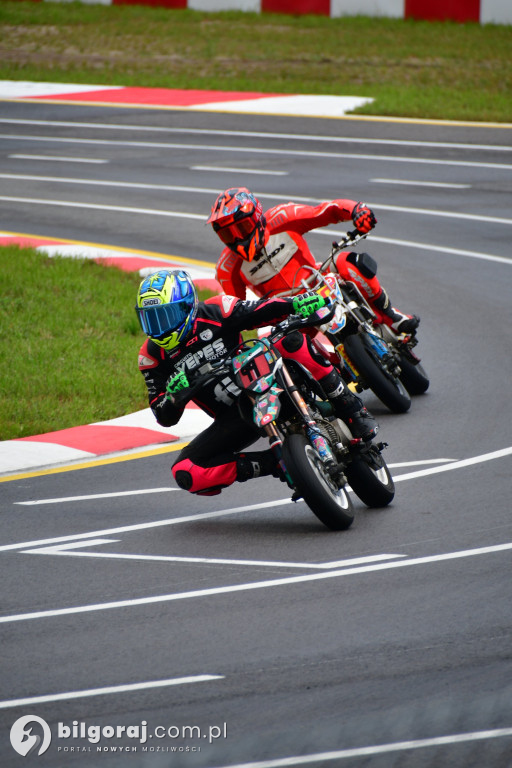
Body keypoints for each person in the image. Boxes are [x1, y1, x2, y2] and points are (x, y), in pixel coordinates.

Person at [136, 269, 375, 498]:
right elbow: (163, 415)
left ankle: (350, 406)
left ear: (188, 305)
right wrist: (173, 397)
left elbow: (259, 310)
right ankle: (277, 464)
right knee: (187, 471)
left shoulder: (217, 310)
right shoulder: (151, 357)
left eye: (166, 316)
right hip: (237, 415)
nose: (160, 327)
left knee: (291, 340)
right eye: (151, 319)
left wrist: (298, 302)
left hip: (266, 377)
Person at [209, 187, 419, 334]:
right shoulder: (226, 268)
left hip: (319, 280)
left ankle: (392, 316)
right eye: (228, 235)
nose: (237, 239)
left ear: (256, 217)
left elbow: (327, 211)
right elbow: (236, 311)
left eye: (242, 228)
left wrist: (357, 210)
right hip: (289, 314)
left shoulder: (282, 216)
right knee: (286, 347)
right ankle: (327, 381)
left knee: (347, 261)